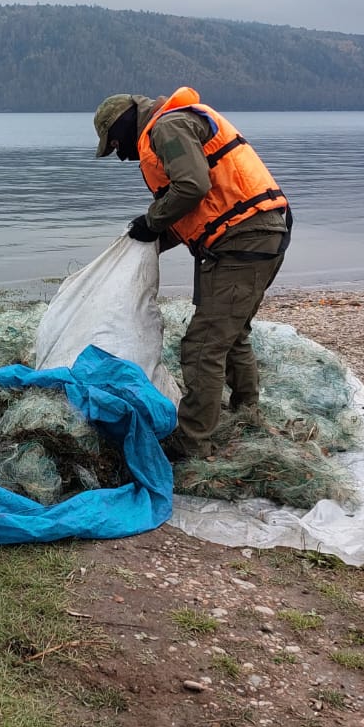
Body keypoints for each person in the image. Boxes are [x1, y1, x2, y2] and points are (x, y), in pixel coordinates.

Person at [92, 87, 292, 460]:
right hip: (256, 238)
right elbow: (196, 206)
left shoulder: (166, 129)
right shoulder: (173, 126)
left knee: (203, 346)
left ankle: (193, 443)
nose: (120, 156)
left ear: (124, 125)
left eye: (116, 144)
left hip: (242, 243)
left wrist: (150, 221)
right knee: (230, 335)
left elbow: (192, 187)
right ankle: (247, 412)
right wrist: (145, 239)